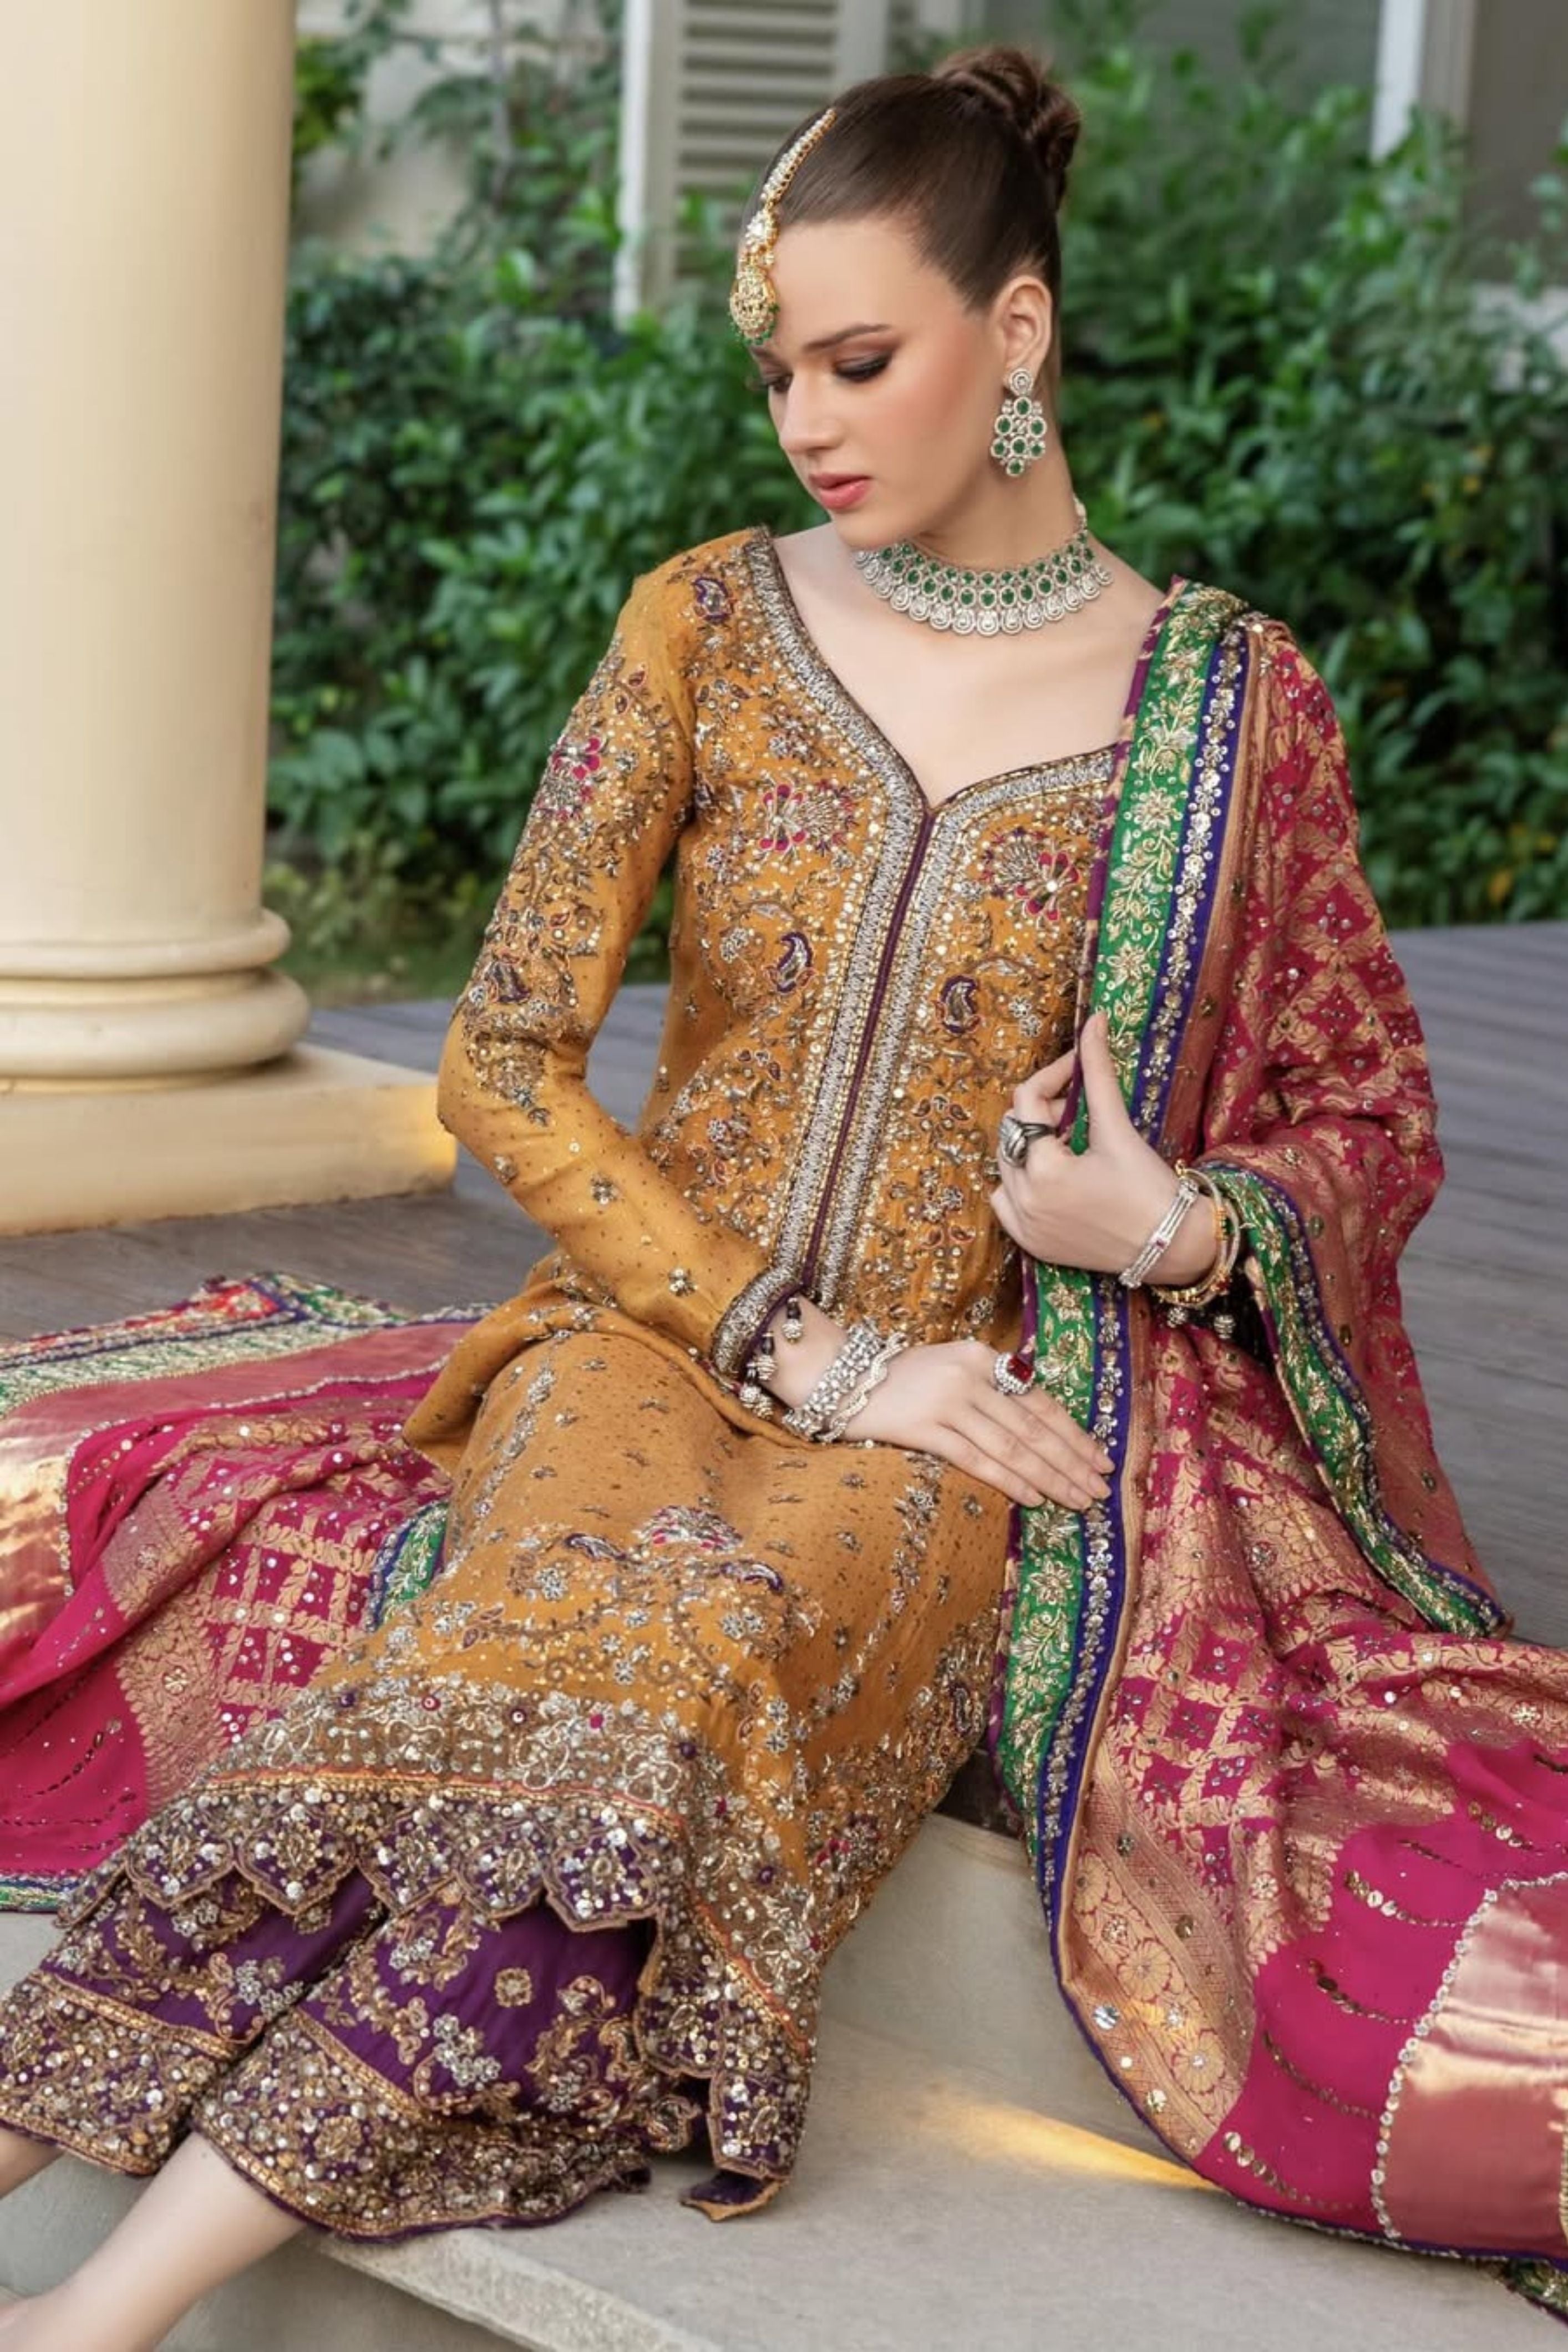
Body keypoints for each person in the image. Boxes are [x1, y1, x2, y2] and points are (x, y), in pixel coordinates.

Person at [0, 40, 1563, 2351]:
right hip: (649, 1339)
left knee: (673, 1678)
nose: (806, 420)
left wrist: (1158, 1229)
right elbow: (504, 1062)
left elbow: (1360, 1113)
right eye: (778, 371)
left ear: (1010, 337)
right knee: (548, 1655)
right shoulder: (706, 628)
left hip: (963, 1435)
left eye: (861, 358)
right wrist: (792, 1340)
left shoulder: (1219, 711)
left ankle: (88, 2314)